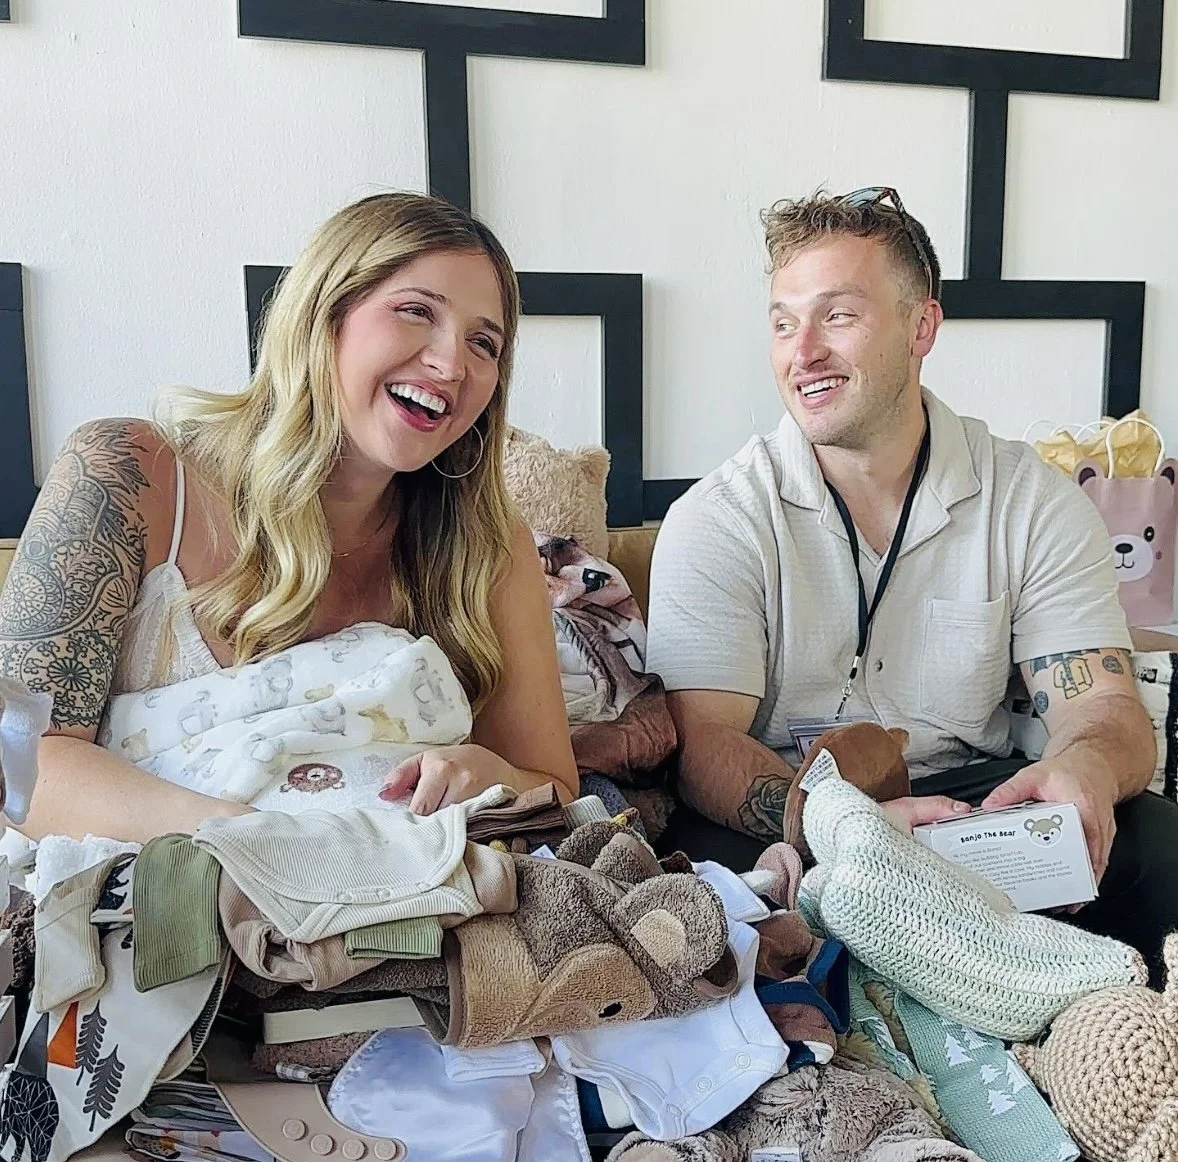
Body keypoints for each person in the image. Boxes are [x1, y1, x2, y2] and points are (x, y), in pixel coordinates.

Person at [646, 187, 1173, 977]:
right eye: (784, 321)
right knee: (698, 904)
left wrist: (1088, 768)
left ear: (922, 325)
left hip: (982, 804)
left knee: (1160, 847)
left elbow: (1105, 706)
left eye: (838, 315)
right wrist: (840, 820)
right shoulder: (717, 518)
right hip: (792, 811)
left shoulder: (1032, 501)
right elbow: (705, 745)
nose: (803, 352)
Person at [0, 192, 577, 842]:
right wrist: (267, 849)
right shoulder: (125, 473)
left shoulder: (489, 547)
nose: (452, 363)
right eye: (416, 311)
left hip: (410, 896)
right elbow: (20, 766)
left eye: (484, 342)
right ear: (323, 314)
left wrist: (484, 771)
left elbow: (551, 783)